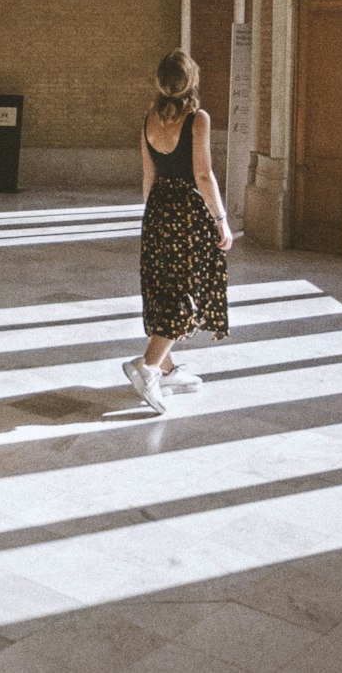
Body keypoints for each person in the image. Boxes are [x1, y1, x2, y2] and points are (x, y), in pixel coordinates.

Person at [124, 49, 232, 414]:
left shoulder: (147, 119)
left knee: (163, 288)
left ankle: (167, 369)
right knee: (188, 292)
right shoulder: (197, 119)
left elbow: (148, 175)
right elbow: (203, 175)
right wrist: (220, 219)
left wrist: (152, 219)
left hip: (157, 212)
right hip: (187, 214)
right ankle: (148, 366)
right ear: (192, 80)